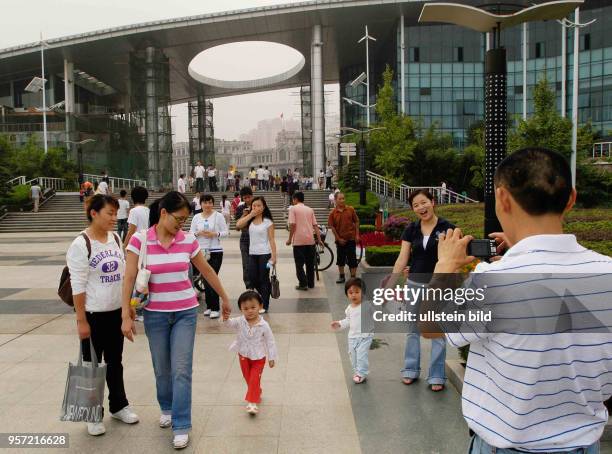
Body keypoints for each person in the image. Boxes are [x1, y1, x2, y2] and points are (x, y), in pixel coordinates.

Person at [428, 147, 612, 453]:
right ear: (571, 199)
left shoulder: (493, 280)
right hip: (582, 445)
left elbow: (431, 327)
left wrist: (445, 266)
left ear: (502, 199)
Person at [121, 191, 231, 450]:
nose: (180, 225)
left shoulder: (188, 240)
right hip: (154, 315)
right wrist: (125, 314)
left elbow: (206, 270)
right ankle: (167, 407)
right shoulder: (140, 240)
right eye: (177, 219)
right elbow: (127, 278)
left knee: (181, 370)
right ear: (162, 213)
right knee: (162, 369)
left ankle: (181, 424)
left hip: (185, 313)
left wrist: (225, 297)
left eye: (184, 220)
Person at [67, 194, 139, 436]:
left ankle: (119, 405)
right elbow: (77, 286)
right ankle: (92, 414)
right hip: (93, 315)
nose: (113, 218)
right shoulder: (81, 244)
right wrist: (81, 320)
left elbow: (121, 277)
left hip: (116, 313)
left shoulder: (116, 238)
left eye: (115, 213)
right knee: (92, 365)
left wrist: (126, 309)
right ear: (93, 213)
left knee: (115, 362)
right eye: (109, 213)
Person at [392, 189, 454, 392]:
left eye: (424, 202)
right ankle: (410, 369)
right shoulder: (411, 229)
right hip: (415, 285)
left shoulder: (448, 228)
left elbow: (454, 257)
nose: (421, 207)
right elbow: (403, 257)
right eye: (416, 205)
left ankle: (436, 375)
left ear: (433, 202)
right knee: (413, 330)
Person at [222, 290, 277, 415]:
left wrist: (271, 357)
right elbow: (228, 324)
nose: (250, 311)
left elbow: (270, 341)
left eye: (253, 307)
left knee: (253, 378)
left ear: (260, 307)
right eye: (245, 308)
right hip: (243, 355)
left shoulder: (264, 325)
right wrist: (225, 319)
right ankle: (257, 391)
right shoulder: (240, 321)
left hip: (259, 357)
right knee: (248, 378)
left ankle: (252, 403)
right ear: (241, 309)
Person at [190, 194, 229, 319]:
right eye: (205, 202)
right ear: (200, 204)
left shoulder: (218, 216)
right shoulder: (196, 217)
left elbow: (225, 232)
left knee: (212, 278)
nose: (207, 205)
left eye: (210, 202)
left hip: (215, 251)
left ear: (213, 203)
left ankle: (216, 308)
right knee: (205, 279)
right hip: (200, 252)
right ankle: (209, 306)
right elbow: (191, 233)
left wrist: (214, 234)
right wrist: (198, 233)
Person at [236, 196, 277, 313]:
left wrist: (274, 256)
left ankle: (264, 304)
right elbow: (238, 225)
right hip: (252, 254)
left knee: (263, 279)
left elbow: (271, 239)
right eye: (254, 205)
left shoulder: (268, 221)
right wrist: (250, 215)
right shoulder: (250, 220)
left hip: (265, 254)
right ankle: (262, 297)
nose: (256, 207)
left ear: (263, 207)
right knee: (252, 278)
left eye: (259, 205)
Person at [331, 278, 373, 384]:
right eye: (350, 293)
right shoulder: (349, 308)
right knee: (353, 356)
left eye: (357, 292)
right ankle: (357, 371)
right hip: (352, 337)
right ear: (347, 295)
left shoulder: (366, 305)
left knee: (361, 355)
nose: (354, 295)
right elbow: (348, 320)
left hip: (365, 336)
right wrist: (339, 323)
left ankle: (361, 373)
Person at [286, 191, 321, 291]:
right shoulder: (310, 209)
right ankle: (310, 284)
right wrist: (319, 239)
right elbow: (315, 226)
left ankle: (303, 283)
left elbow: (292, 225)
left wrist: (289, 239)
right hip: (310, 241)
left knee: (299, 264)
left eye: (293, 199)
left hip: (299, 241)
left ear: (295, 199)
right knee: (310, 264)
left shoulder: (293, 209)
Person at [327, 192, 360, 284]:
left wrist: (357, 235)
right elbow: (332, 227)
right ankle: (342, 276)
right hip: (340, 240)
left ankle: (353, 277)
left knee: (352, 259)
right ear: (335, 200)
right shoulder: (333, 213)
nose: (342, 200)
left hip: (351, 239)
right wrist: (338, 238)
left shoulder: (350, 209)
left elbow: (356, 221)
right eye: (340, 199)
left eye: (343, 198)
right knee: (340, 259)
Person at [235, 187, 254, 289]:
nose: (247, 200)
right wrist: (244, 215)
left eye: (249, 197)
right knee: (246, 264)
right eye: (245, 198)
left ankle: (258, 285)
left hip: (258, 240)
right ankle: (249, 286)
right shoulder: (240, 209)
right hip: (245, 239)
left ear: (252, 195)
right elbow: (237, 227)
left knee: (258, 264)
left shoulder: (258, 206)